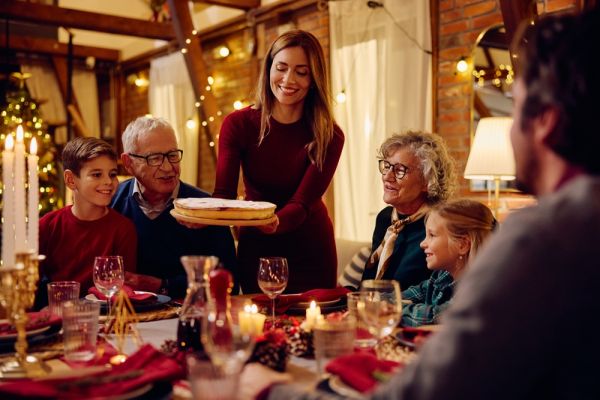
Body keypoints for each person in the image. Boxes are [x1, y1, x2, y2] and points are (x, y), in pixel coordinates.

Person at [241, 8, 600, 400]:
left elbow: (426, 389)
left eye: (514, 106)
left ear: (545, 121)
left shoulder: (542, 240)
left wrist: (270, 391)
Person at [213, 29, 344, 293]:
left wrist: (272, 222)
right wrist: (201, 215)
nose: (288, 79)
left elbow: (301, 204)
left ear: (314, 78)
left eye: (301, 71)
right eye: (281, 68)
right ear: (269, 69)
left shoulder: (330, 135)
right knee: (258, 329)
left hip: (310, 249)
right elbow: (223, 194)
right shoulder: (237, 125)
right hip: (257, 248)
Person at [111, 116, 238, 298]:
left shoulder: (206, 208)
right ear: (129, 163)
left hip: (190, 315)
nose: (168, 167)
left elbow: (229, 279)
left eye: (172, 155)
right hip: (130, 317)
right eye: (155, 158)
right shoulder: (112, 203)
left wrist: (164, 286)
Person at [38, 137, 137, 296]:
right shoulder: (47, 226)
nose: (108, 182)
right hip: (58, 315)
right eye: (97, 174)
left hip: (105, 316)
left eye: (112, 174)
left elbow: (123, 291)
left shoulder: (123, 229)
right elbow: (31, 287)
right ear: (71, 180)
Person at [360, 131, 456, 290]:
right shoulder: (385, 218)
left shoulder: (439, 225)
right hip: (373, 310)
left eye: (399, 170)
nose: (387, 176)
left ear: (427, 181)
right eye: (387, 166)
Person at [401, 199, 495, 327]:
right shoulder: (441, 277)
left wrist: (392, 310)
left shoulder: (480, 290)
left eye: (432, 235)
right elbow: (404, 295)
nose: (422, 244)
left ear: (462, 245)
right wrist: (374, 300)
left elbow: (433, 316)